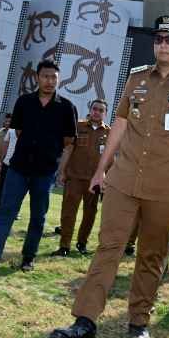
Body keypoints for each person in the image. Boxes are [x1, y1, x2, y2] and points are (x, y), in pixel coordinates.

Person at [50, 15, 169, 338]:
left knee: (151, 256)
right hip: (124, 180)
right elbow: (120, 125)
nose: (163, 45)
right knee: (108, 248)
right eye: (158, 39)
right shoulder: (136, 78)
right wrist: (101, 169)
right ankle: (84, 322)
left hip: (166, 188)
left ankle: (139, 320)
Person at [0, 59, 77, 275]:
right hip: (18, 168)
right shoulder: (24, 102)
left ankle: (29, 257)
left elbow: (69, 142)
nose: (49, 81)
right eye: (45, 76)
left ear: (58, 80)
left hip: (45, 172)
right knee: (5, 213)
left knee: (38, 217)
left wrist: (60, 168)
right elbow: (18, 132)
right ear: (38, 77)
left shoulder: (66, 108)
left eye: (54, 77)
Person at [52, 99, 110, 257]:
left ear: (105, 113)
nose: (97, 112)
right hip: (74, 178)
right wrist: (62, 172)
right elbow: (68, 150)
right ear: (90, 110)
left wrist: (107, 179)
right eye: (95, 109)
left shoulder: (109, 132)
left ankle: (82, 243)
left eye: (101, 110)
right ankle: (64, 246)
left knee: (90, 214)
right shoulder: (78, 126)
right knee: (68, 213)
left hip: (94, 181)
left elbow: (110, 158)